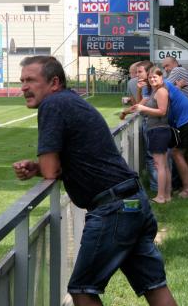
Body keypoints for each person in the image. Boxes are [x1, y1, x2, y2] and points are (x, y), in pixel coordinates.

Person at [12, 56, 177, 306]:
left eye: (31, 80)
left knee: (81, 289)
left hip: (114, 209)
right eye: (22, 81)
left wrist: (42, 168)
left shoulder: (53, 104)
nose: (24, 87)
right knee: (154, 286)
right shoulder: (69, 100)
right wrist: (39, 168)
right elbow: (61, 163)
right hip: (132, 202)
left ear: (54, 82)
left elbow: (50, 170)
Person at [130, 67, 172, 204]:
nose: (152, 79)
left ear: (161, 77)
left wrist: (144, 108)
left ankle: (160, 196)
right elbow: (139, 104)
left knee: (159, 165)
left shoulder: (161, 91)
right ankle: (166, 195)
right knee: (164, 165)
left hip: (159, 130)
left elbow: (162, 111)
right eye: (150, 78)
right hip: (158, 130)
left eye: (155, 77)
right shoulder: (156, 91)